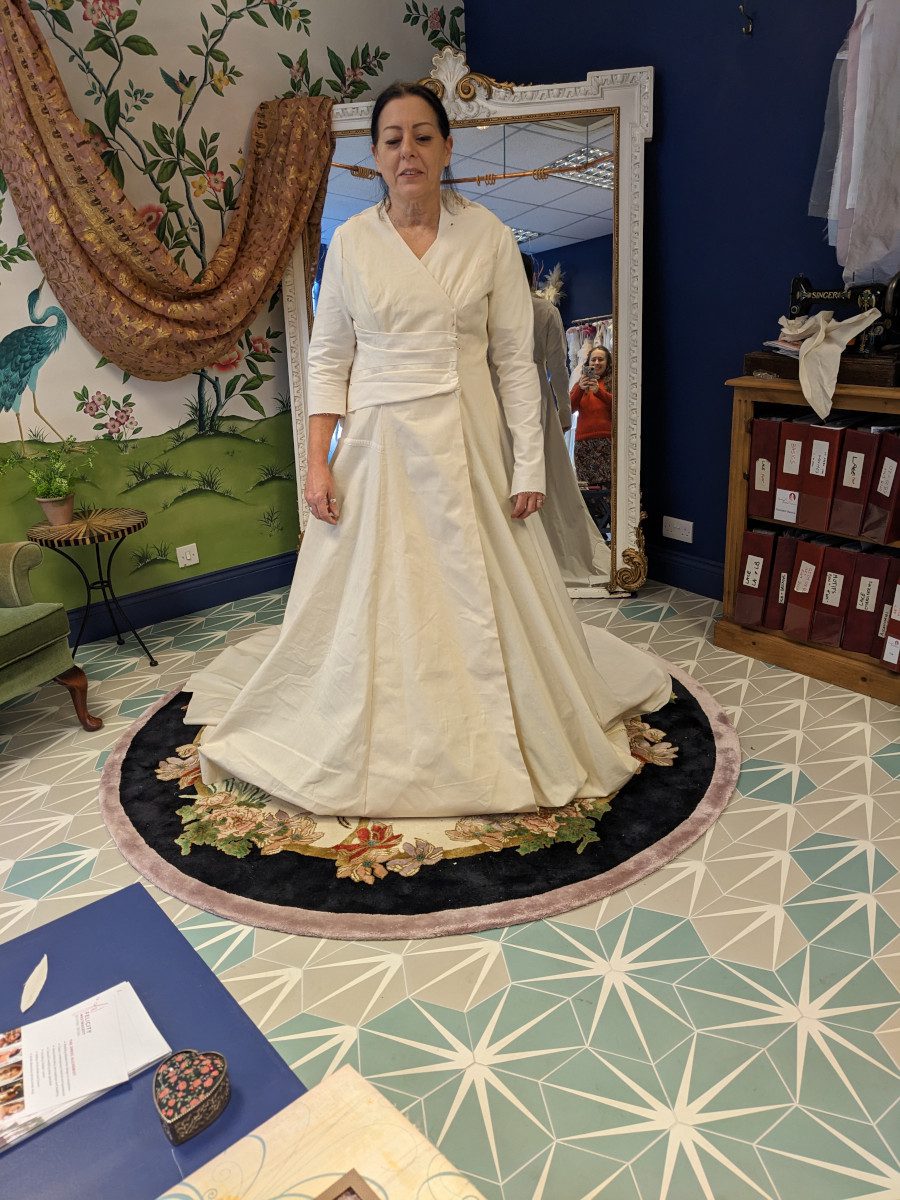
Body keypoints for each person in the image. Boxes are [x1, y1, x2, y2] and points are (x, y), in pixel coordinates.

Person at [185, 82, 670, 818]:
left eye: (421, 136)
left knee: (484, 590)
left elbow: (515, 363)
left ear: (446, 148)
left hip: (469, 439)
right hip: (377, 446)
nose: (406, 151)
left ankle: (483, 727)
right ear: (376, 155)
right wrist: (317, 461)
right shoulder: (353, 244)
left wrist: (530, 463)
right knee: (375, 594)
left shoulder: (488, 236)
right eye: (392, 139)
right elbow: (328, 360)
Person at [520, 253, 609, 586]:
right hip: (532, 392)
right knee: (548, 475)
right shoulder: (544, 311)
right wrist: (562, 414)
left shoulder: (494, 310)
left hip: (497, 395)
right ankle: (553, 552)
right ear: (534, 277)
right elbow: (558, 367)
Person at [569, 344, 614, 491]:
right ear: (588, 363)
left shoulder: (613, 382)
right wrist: (580, 389)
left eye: (601, 359)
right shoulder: (580, 385)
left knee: (608, 487)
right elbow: (569, 409)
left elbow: (620, 407)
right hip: (583, 444)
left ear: (607, 362)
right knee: (587, 488)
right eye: (593, 359)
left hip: (607, 442)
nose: (596, 363)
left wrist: (599, 392)